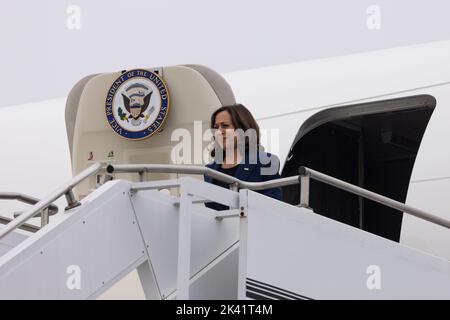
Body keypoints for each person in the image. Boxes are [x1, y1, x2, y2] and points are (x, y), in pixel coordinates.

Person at [204, 103, 282, 210]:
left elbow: (274, 205)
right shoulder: (209, 171)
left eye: (225, 126)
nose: (219, 132)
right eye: (216, 128)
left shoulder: (266, 162)